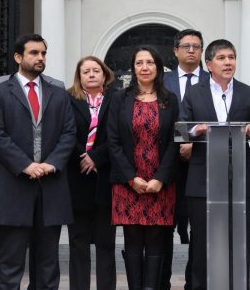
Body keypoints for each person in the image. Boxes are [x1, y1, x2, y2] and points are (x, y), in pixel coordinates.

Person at [0, 34, 77, 289]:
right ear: (18, 57)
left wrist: (52, 163)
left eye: (43, 53)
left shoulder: (57, 93)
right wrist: (25, 164)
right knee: (9, 262)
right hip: (13, 185)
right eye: (34, 53)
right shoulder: (0, 92)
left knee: (48, 263)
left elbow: (69, 133)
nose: (40, 58)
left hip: (51, 185)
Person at [180, 39, 250, 290]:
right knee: (203, 242)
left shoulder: (249, 93)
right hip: (202, 179)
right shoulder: (195, 93)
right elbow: (183, 128)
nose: (228, 62)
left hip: (238, 178)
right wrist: (197, 129)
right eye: (222, 58)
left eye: (232, 57)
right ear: (209, 64)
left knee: (238, 242)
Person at [107, 46, 179, 290]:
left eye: (150, 62)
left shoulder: (170, 100)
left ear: (158, 67)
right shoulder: (119, 98)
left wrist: (161, 178)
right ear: (133, 68)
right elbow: (113, 141)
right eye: (139, 63)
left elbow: (173, 142)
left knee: (158, 240)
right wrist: (131, 178)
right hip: (129, 182)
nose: (145, 67)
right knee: (133, 239)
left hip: (160, 182)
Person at [162, 29, 209, 290]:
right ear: (175, 50)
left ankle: (195, 282)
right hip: (168, 163)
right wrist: (181, 143)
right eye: (186, 45)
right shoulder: (162, 80)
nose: (191, 50)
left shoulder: (213, 80)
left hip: (201, 162)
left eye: (197, 46)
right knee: (165, 226)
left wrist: (193, 144)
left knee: (199, 228)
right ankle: (162, 281)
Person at [66, 56, 117, 290]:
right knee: (79, 243)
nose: (91, 75)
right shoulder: (68, 99)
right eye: (85, 71)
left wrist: (96, 157)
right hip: (77, 177)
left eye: (96, 70)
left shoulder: (117, 99)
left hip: (106, 177)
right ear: (79, 77)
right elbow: (64, 133)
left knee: (106, 243)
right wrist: (83, 156)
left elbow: (119, 137)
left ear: (104, 74)